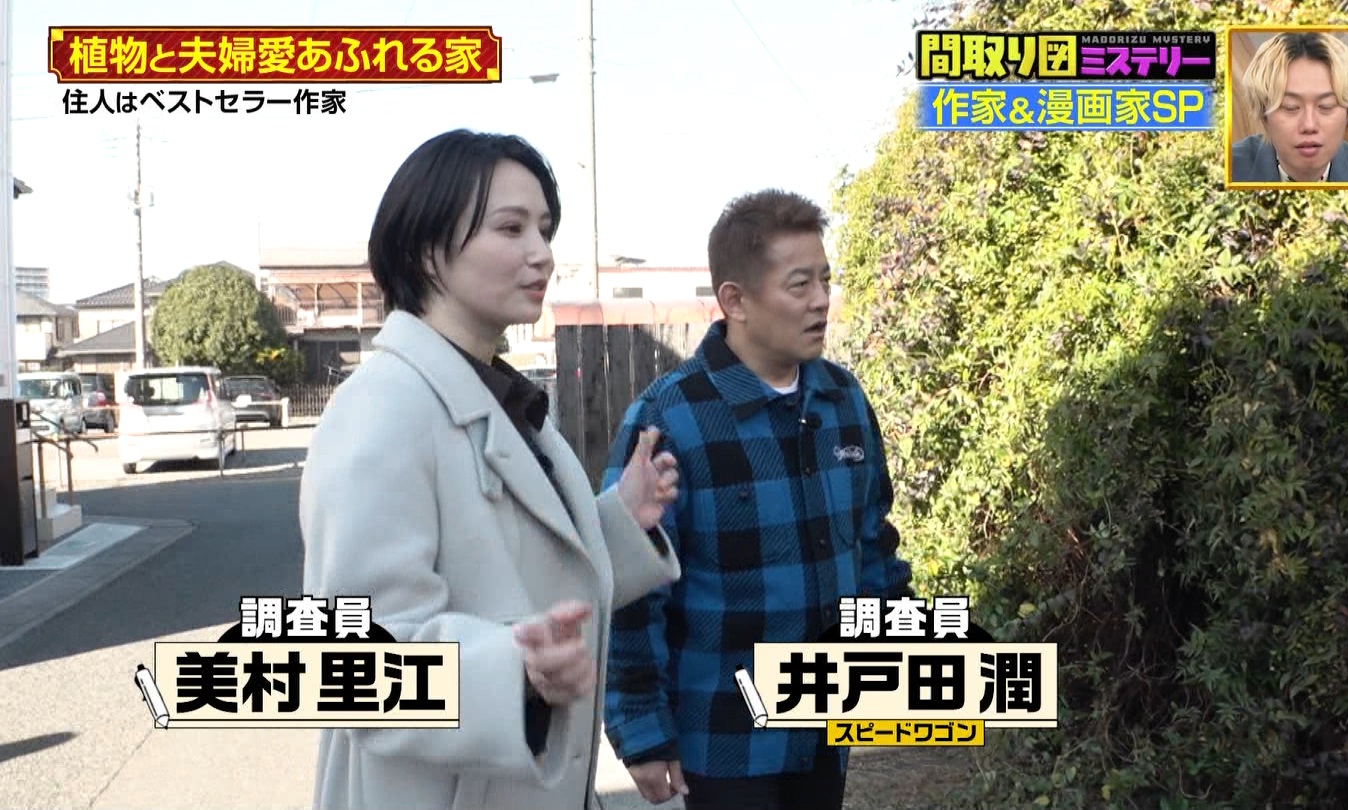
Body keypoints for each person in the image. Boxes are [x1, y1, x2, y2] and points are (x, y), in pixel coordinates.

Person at [299, 129, 683, 810]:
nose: (542, 253)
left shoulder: (498, 395)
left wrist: (618, 524)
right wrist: (513, 675)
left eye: (545, 229)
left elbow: (521, 580)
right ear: (428, 250)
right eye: (511, 228)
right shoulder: (384, 406)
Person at [601, 189, 914, 810]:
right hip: (724, 738)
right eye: (799, 285)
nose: (821, 300)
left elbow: (873, 547)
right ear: (735, 300)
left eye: (825, 280)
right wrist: (641, 730)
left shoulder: (843, 401)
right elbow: (629, 593)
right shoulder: (670, 419)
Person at [1230, 31, 1348, 183]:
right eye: (1290, 107)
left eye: (1326, 106)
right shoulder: (1227, 169)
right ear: (1263, 115)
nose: (1309, 125)